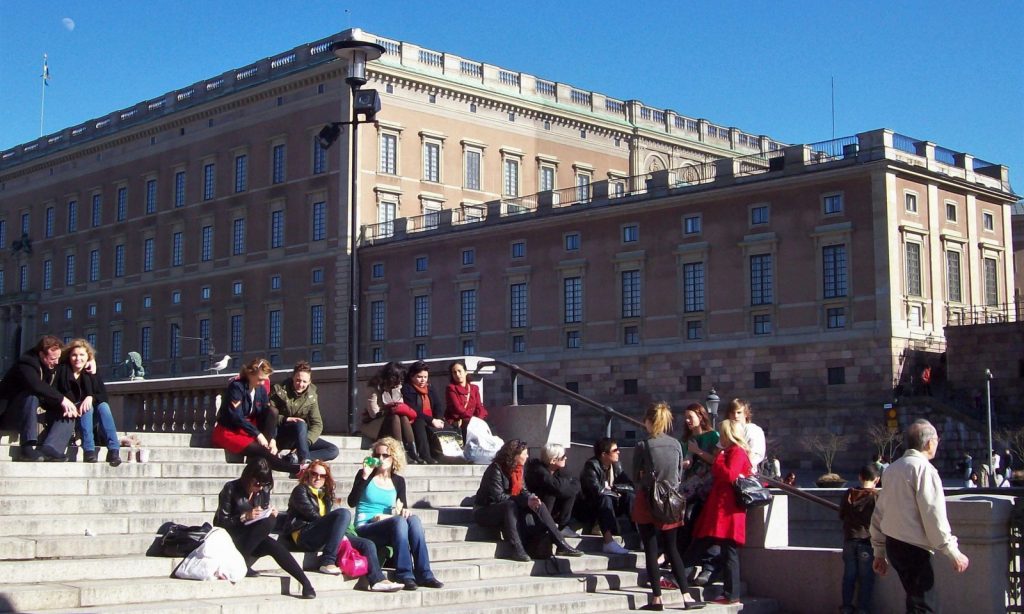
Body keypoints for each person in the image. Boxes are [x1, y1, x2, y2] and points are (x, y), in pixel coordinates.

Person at [870, 419, 969, 613]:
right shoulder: (924, 470)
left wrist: (879, 551)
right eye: (936, 440)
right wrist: (952, 551)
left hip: (894, 544)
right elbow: (933, 514)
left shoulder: (892, 469)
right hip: (914, 547)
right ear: (929, 442)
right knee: (925, 605)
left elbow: (879, 512)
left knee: (915, 600)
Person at [284, 460, 403, 591]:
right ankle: (327, 561)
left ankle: (377, 580)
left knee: (367, 544)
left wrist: (339, 532)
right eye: (314, 474)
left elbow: (327, 522)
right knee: (343, 513)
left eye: (322, 476)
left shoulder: (325, 495)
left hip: (322, 534)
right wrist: (337, 530)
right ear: (307, 475)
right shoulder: (300, 490)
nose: (318, 478)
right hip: (304, 535)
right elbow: (314, 517)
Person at [632, 401, 705, 611]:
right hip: (670, 501)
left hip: (647, 499)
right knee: (672, 549)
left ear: (648, 421)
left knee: (651, 549)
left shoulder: (643, 445)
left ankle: (657, 598)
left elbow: (636, 475)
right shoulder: (675, 444)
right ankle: (687, 596)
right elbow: (678, 475)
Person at [347, 437, 443, 590]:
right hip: (365, 527)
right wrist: (364, 476)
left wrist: (404, 511)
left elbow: (401, 510)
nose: (380, 459)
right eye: (377, 455)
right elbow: (351, 502)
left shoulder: (398, 481)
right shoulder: (366, 475)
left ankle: (425, 574)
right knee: (398, 522)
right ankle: (404, 574)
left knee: (414, 520)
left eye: (385, 455)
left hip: (388, 525)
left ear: (394, 458)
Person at [213, 458, 316, 599]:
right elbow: (220, 523)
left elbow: (263, 515)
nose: (260, 488)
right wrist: (244, 517)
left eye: (264, 485)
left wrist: (268, 513)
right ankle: (241, 562)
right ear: (248, 477)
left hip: (253, 537)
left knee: (273, 542)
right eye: (257, 483)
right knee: (268, 525)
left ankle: (306, 583)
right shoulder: (231, 488)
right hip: (232, 538)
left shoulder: (263, 491)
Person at [474, 439, 584, 562]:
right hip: (486, 510)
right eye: (524, 453)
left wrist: (531, 498)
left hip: (511, 505)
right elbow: (498, 497)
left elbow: (523, 490)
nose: (527, 456)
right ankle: (517, 548)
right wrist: (524, 501)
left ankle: (561, 543)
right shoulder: (495, 469)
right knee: (509, 505)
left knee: (538, 504)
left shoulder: (519, 469)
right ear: (514, 455)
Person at [685, 418, 752, 607]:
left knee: (726, 551)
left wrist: (720, 458)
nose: (719, 437)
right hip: (722, 509)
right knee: (703, 542)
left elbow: (729, 475)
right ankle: (680, 576)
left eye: (722, 433)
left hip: (727, 510)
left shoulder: (735, 452)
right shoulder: (731, 452)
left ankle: (731, 593)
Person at [0, 335, 79, 461]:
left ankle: (51, 448)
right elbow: (36, 385)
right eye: (53, 358)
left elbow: (77, 357)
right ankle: (27, 448)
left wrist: (90, 362)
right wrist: (62, 400)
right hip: (11, 413)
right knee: (31, 396)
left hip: (38, 409)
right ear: (42, 355)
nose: (57, 362)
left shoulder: (55, 364)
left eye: (58, 358)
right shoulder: (26, 363)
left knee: (69, 411)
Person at [212, 358, 297, 474]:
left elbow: (266, 414)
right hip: (231, 430)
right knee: (262, 451)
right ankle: (295, 469)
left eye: (264, 379)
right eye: (260, 379)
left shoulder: (260, 389)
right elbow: (236, 417)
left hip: (250, 428)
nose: (263, 383)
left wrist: (272, 438)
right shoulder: (236, 387)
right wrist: (258, 435)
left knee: (272, 411)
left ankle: (262, 467)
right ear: (250, 374)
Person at [54, 338, 122, 465]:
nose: (77, 358)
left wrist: (90, 397)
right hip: (70, 415)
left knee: (103, 406)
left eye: (82, 355)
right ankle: (89, 450)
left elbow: (102, 396)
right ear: (69, 356)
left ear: (88, 357)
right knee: (88, 408)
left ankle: (114, 450)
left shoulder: (91, 372)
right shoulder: (62, 370)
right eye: (74, 355)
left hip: (89, 418)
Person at [677, 402, 719, 587]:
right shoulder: (684, 440)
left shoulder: (712, 436)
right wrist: (686, 459)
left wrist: (697, 452)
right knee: (684, 521)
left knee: (697, 521)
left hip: (707, 488)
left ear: (701, 417)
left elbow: (715, 460)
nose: (687, 421)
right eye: (686, 418)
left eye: (690, 417)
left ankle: (700, 564)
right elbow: (684, 462)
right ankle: (682, 561)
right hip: (688, 487)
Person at [271, 361, 339, 464]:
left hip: (300, 438)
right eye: (298, 380)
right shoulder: (278, 390)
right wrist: (285, 419)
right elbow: (267, 416)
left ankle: (294, 458)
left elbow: (317, 424)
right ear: (293, 377)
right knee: (300, 423)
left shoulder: (311, 396)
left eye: (304, 381)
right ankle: (304, 461)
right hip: (281, 434)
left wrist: (305, 442)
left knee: (333, 450)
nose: (300, 384)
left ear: (309, 382)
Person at [577, 437, 634, 555]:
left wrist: (614, 489)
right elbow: (597, 491)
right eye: (615, 450)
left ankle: (641, 536)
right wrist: (613, 492)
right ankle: (608, 542)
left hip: (611, 502)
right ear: (604, 454)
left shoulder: (617, 466)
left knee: (629, 497)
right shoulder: (591, 466)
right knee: (605, 498)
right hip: (592, 507)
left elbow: (631, 486)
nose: (619, 452)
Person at [838, 464, 880, 614]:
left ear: (860, 477)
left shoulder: (848, 493)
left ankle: (846, 607)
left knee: (849, 576)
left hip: (850, 539)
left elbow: (842, 515)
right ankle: (862, 609)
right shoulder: (875, 496)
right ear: (877, 479)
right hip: (867, 541)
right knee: (866, 578)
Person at [364, 361, 420, 462]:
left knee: (402, 416)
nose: (399, 382)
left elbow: (400, 406)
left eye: (401, 379)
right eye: (397, 378)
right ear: (390, 377)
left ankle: (413, 452)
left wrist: (395, 394)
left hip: (394, 422)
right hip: (374, 424)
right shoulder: (374, 388)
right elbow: (373, 413)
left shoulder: (397, 387)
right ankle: (401, 452)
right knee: (394, 416)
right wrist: (389, 410)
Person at [524, 442, 581, 537]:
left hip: (555, 509)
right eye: (563, 457)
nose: (566, 458)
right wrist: (565, 485)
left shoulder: (562, 469)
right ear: (553, 460)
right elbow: (555, 487)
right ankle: (546, 524)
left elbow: (576, 484)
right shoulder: (538, 470)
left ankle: (563, 526)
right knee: (551, 492)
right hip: (535, 508)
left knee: (570, 493)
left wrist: (565, 486)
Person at [401, 361, 444, 465]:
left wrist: (439, 418)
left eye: (425, 377)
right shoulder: (407, 388)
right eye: (419, 377)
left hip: (431, 419)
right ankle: (426, 456)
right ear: (412, 376)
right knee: (419, 422)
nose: (423, 380)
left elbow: (438, 405)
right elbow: (413, 410)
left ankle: (443, 455)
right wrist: (432, 420)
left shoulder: (430, 388)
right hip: (414, 419)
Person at [444, 359, 489, 436]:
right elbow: (458, 409)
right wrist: (473, 420)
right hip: (459, 421)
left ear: (465, 372)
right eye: (454, 372)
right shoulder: (451, 388)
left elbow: (479, 406)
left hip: (473, 421)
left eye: (459, 371)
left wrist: (480, 418)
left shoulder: (474, 388)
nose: (457, 374)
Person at [725, 399, 765, 469]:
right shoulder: (727, 430)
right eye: (732, 413)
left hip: (745, 473)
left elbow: (754, 455)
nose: (735, 416)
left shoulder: (753, 429)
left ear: (746, 414)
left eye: (739, 412)